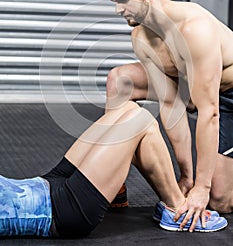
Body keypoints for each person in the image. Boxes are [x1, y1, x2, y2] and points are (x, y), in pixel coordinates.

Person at [99, 0, 233, 230]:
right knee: (119, 79)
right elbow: (171, 104)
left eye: (123, 1)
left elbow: (209, 112)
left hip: (227, 97)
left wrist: (201, 187)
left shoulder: (196, 30)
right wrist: (186, 176)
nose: (118, 10)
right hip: (192, 89)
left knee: (220, 201)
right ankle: (114, 182)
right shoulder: (141, 36)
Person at [0, 101, 227, 238]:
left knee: (128, 109)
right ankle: (178, 209)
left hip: (45, 184)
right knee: (141, 121)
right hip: (61, 210)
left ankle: (168, 203)